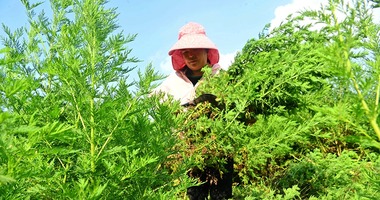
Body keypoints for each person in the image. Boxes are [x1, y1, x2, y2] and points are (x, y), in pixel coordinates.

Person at [153, 22, 233, 200]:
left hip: (220, 151)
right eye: (185, 52)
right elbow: (154, 104)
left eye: (195, 50)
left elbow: (236, 109)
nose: (191, 56)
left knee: (221, 196)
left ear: (206, 50)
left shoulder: (221, 77)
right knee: (194, 196)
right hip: (190, 153)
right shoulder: (172, 82)